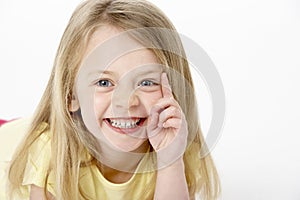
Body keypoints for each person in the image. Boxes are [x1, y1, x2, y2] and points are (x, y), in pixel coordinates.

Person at [3, 0, 220, 199]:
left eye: (146, 82)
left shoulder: (176, 148)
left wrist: (169, 163)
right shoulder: (50, 152)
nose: (126, 102)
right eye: (104, 83)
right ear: (70, 94)